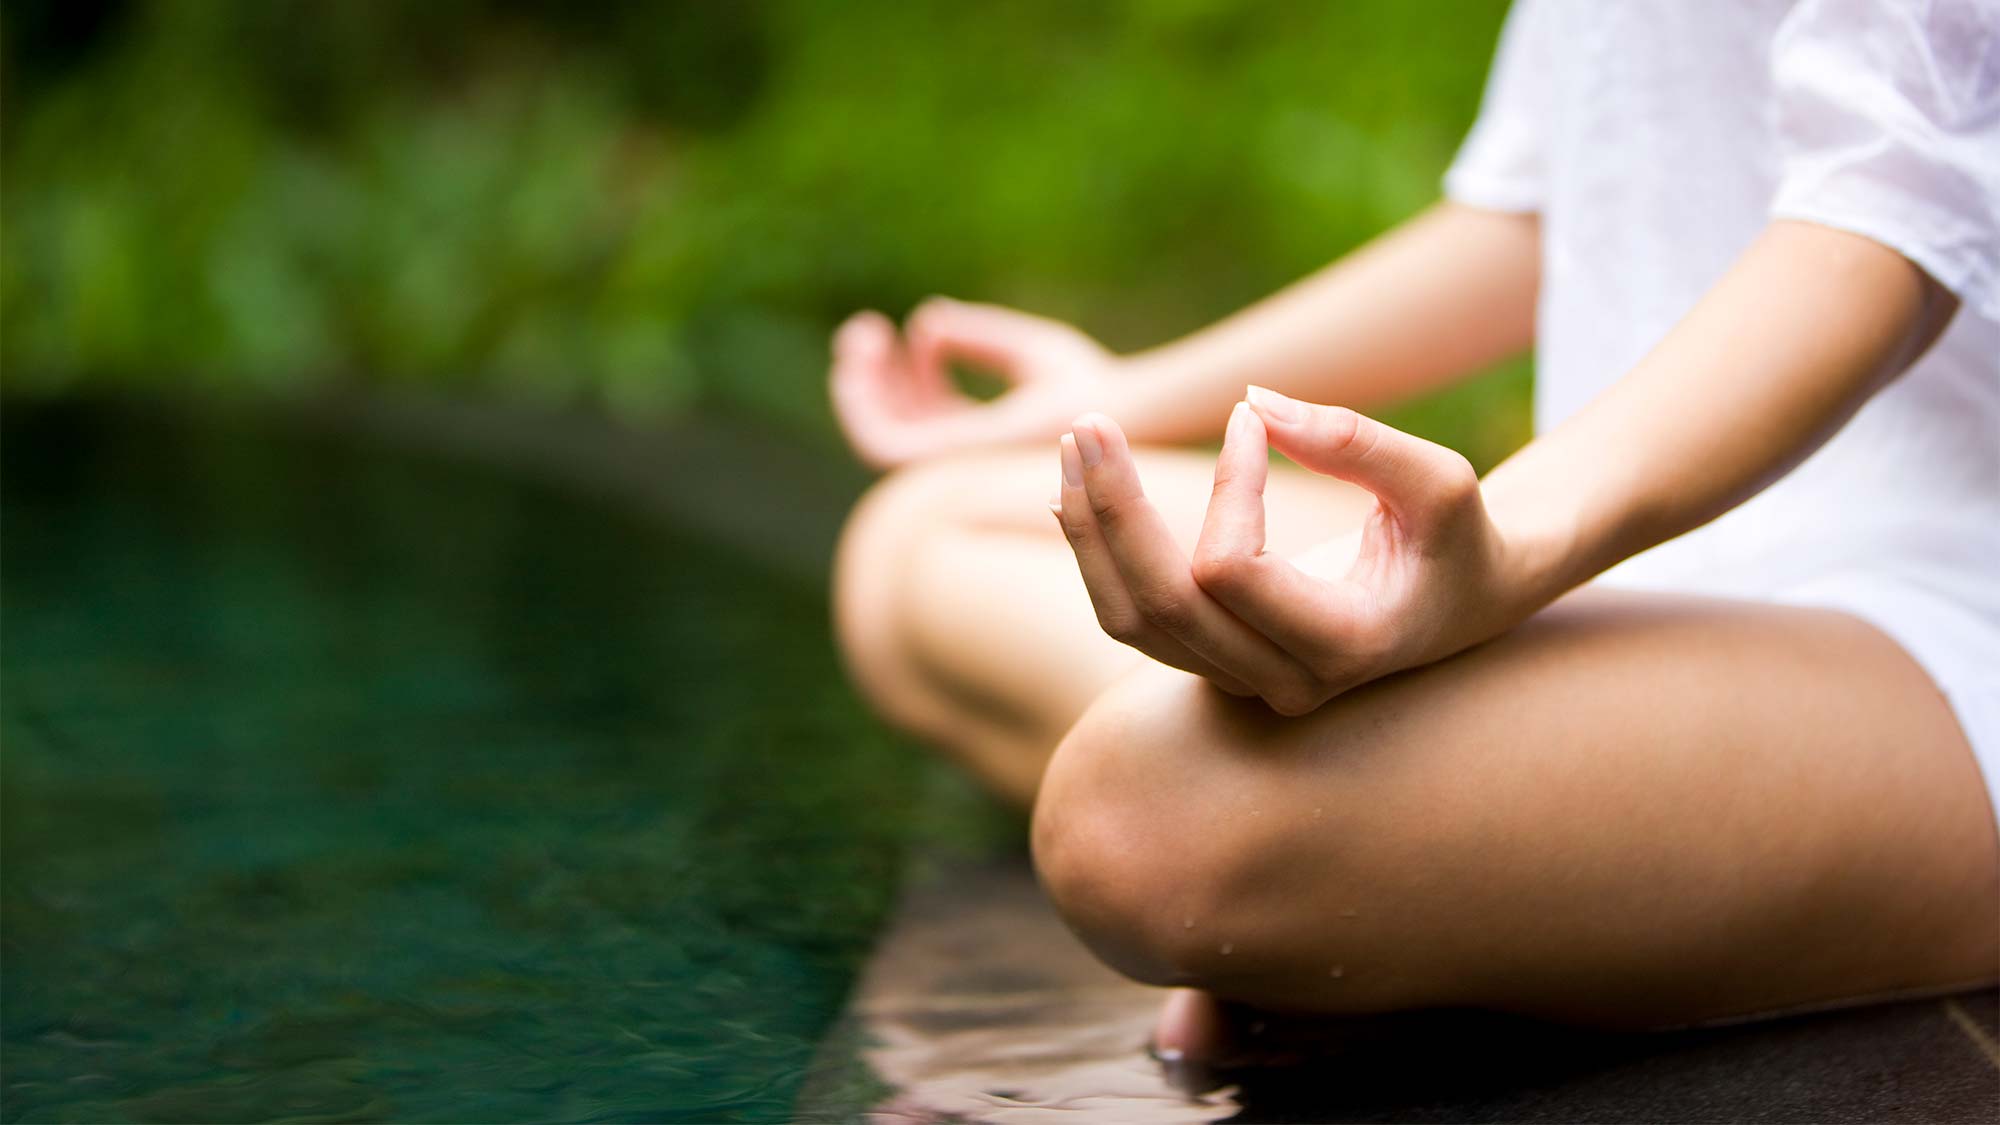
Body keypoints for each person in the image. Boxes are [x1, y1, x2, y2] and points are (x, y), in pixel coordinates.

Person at [827, 0, 2000, 1061]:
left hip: (1933, 625)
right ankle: (1406, 856)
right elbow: (1537, 208)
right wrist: (1122, 399)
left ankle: (1370, 856)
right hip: (1632, 549)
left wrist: (1510, 550)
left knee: (1141, 822)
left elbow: (1884, 228)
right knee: (919, 536)